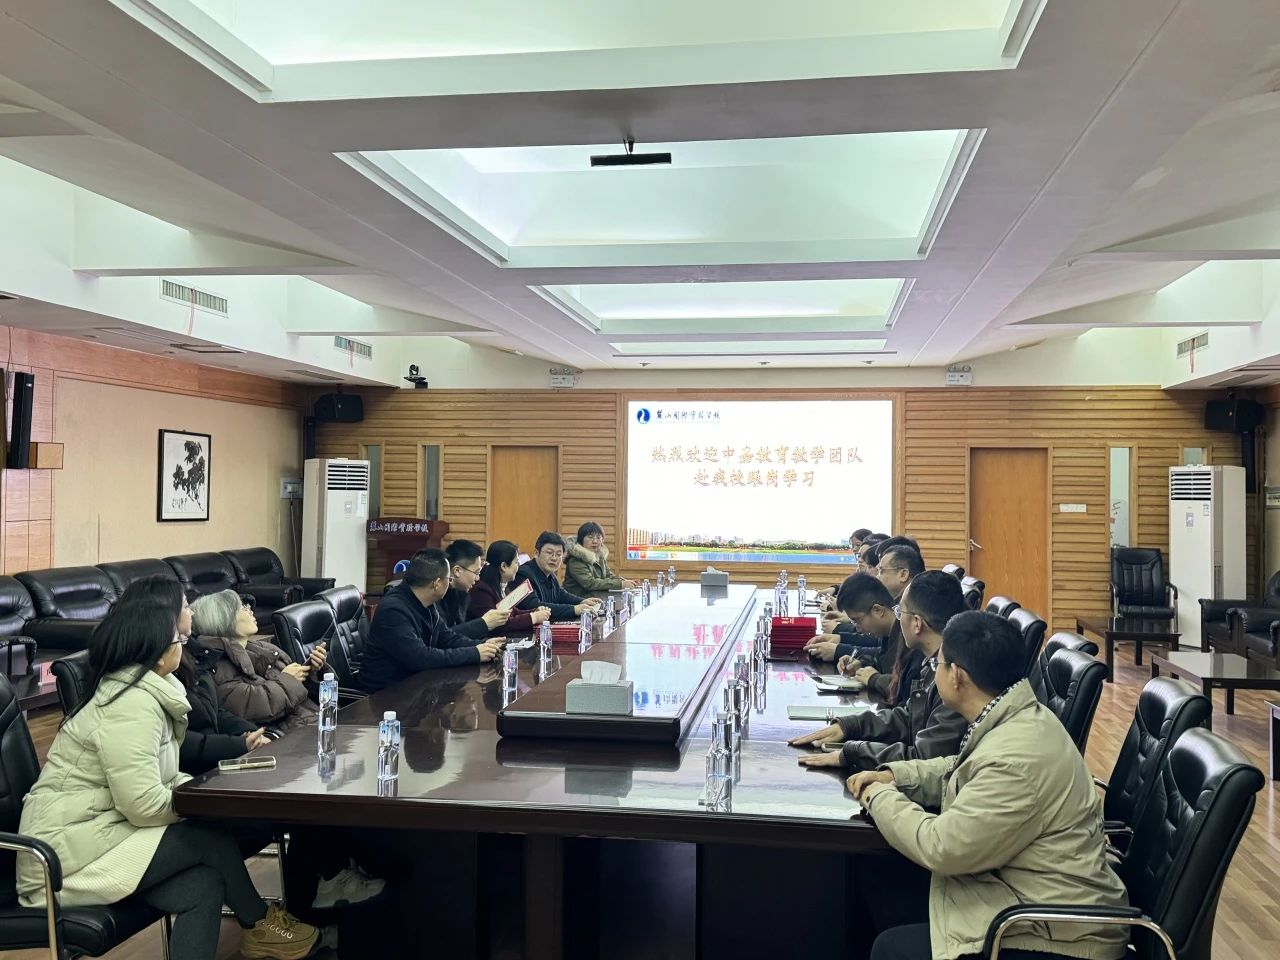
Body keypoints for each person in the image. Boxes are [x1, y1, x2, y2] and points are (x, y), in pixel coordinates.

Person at [17, 596, 319, 960]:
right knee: (207, 836)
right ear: (159, 654)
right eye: (178, 640)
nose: (184, 646)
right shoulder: (130, 705)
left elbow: (160, 779)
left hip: (102, 833)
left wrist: (205, 791)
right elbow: (143, 805)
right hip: (61, 857)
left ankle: (260, 929)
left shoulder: (145, 695)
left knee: (203, 885)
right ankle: (259, 923)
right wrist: (201, 804)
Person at [849, 611, 1129, 960]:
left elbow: (941, 848)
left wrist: (877, 795)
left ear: (957, 676)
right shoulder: (1013, 715)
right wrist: (895, 776)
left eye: (938, 664)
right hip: (1015, 889)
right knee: (878, 872)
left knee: (891, 948)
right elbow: (962, 769)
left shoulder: (1015, 758)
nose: (935, 672)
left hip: (1054, 933)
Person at [790, 571, 968, 769]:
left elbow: (925, 760)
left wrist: (854, 752)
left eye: (900, 613)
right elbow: (907, 718)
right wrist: (850, 726)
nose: (897, 620)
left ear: (917, 623)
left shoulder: (954, 677)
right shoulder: (934, 663)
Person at [362, 548, 504, 693]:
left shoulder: (426, 602)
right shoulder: (393, 610)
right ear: (436, 583)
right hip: (387, 694)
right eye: (449, 579)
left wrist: (483, 645)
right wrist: (474, 653)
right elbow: (421, 657)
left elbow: (447, 638)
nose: (450, 584)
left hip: (417, 687)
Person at [190, 590, 323, 733]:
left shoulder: (263, 648)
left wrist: (312, 672)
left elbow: (297, 690)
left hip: (313, 721)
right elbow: (253, 706)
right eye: (242, 608)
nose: (250, 610)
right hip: (288, 736)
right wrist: (289, 679)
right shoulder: (216, 666)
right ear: (222, 620)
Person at [511, 532, 602, 621]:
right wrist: (574, 609)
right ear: (536, 553)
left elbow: (560, 594)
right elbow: (534, 606)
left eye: (558, 554)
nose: (554, 558)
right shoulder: (523, 575)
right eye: (549, 552)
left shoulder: (549, 573)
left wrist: (581, 601)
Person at [469, 540, 553, 635]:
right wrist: (534, 617)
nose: (519, 566)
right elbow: (498, 625)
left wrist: (535, 611)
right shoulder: (481, 591)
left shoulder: (501, 585)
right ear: (504, 566)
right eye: (516, 562)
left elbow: (513, 613)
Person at [438, 539, 513, 639]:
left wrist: (484, 644)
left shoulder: (461, 593)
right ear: (457, 571)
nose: (477, 578)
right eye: (476, 573)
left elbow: (459, 637)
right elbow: (443, 637)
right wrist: (484, 622)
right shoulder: (436, 596)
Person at [562, 522, 638, 599]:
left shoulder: (599, 556)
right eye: (590, 537)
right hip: (576, 600)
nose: (595, 541)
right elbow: (590, 583)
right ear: (581, 540)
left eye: (598, 537)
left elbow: (608, 575)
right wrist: (620, 584)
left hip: (594, 598)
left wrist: (624, 581)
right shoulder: (576, 560)